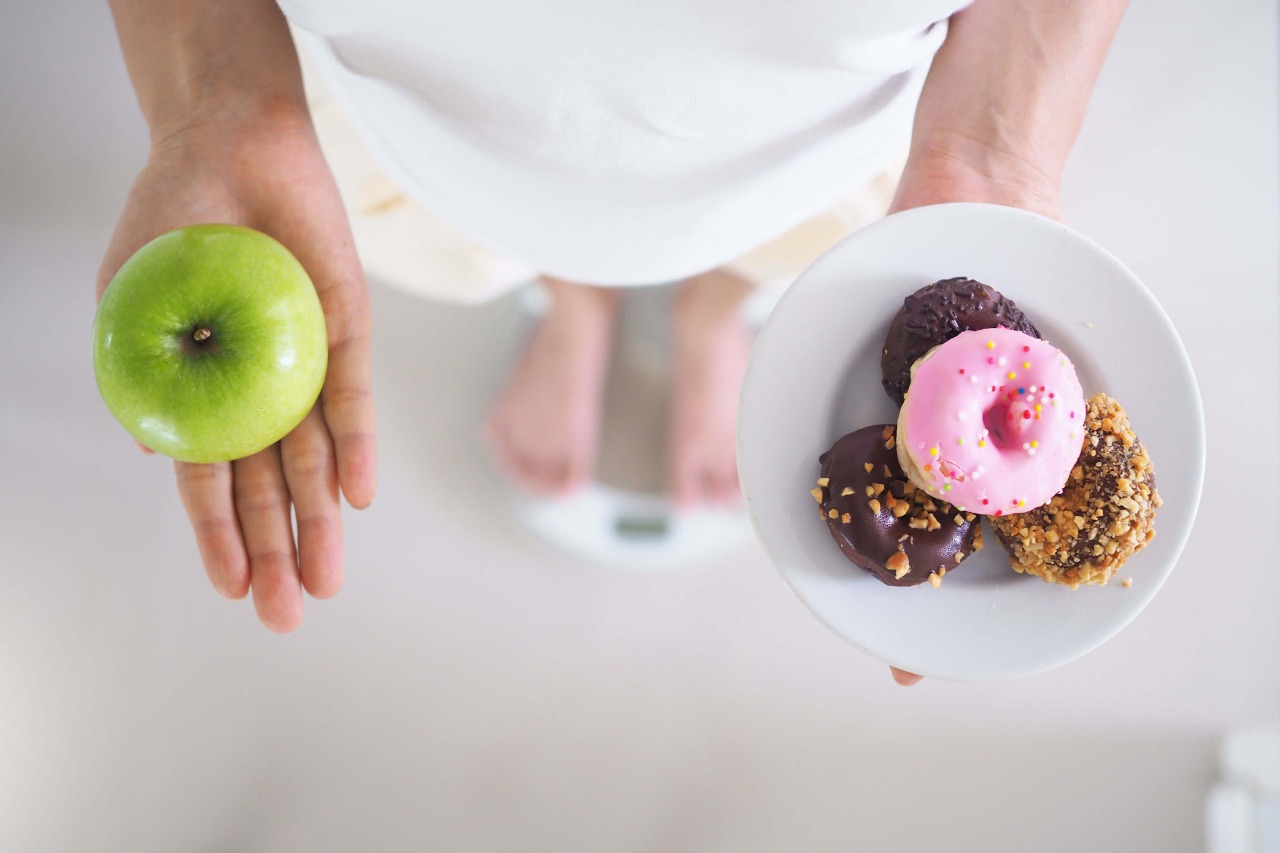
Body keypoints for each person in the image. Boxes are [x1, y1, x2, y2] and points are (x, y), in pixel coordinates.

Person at [100, 0, 1126, 687]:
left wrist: (993, 154)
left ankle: (705, 301)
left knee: (806, 238)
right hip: (420, 129)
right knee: (462, 228)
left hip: (830, 134)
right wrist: (213, 92)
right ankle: (576, 292)